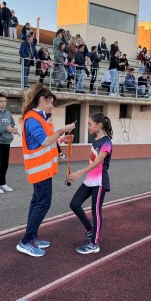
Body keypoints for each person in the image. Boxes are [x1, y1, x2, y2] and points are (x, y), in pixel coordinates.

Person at [16, 84, 75, 257]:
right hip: (39, 169)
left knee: (37, 202)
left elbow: (48, 141)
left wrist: (61, 138)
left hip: (42, 169)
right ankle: (26, 241)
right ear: (42, 100)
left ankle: (31, 236)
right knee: (42, 203)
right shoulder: (33, 118)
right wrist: (62, 130)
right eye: (50, 103)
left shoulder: (38, 118)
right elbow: (44, 142)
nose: (52, 106)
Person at [67, 113, 113, 254]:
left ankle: (94, 243)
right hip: (90, 180)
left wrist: (79, 173)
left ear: (99, 125)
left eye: (89, 124)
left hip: (99, 182)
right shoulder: (95, 141)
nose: (87, 127)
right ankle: (89, 230)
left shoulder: (107, 142)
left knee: (96, 211)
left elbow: (98, 162)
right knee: (74, 204)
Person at [0, 92, 18, 194]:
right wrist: (6, 128)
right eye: (1, 101)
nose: (3, 103)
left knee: (4, 164)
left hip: (7, 142)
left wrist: (13, 129)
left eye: (5, 101)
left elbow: (12, 123)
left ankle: (2, 183)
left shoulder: (8, 113)